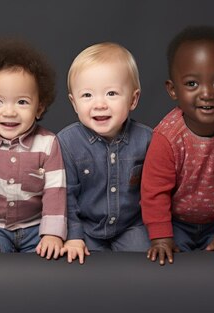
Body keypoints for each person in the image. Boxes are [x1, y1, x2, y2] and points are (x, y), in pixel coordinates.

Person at [141, 26, 214, 265]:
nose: (207, 94)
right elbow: (154, 191)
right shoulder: (167, 136)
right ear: (173, 89)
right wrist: (161, 236)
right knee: (174, 267)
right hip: (176, 223)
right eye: (192, 84)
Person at [0, 39, 66, 263]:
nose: (9, 112)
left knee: (47, 268)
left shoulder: (48, 143)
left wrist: (52, 233)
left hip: (36, 227)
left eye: (22, 102)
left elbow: (55, 191)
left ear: (39, 108)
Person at [57, 42, 152, 264]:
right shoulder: (66, 143)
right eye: (87, 95)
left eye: (111, 93)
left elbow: (156, 190)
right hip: (86, 227)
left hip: (132, 225)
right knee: (83, 268)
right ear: (74, 103)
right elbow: (66, 196)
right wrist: (73, 236)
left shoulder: (148, 139)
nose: (100, 104)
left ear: (133, 99)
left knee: (147, 265)